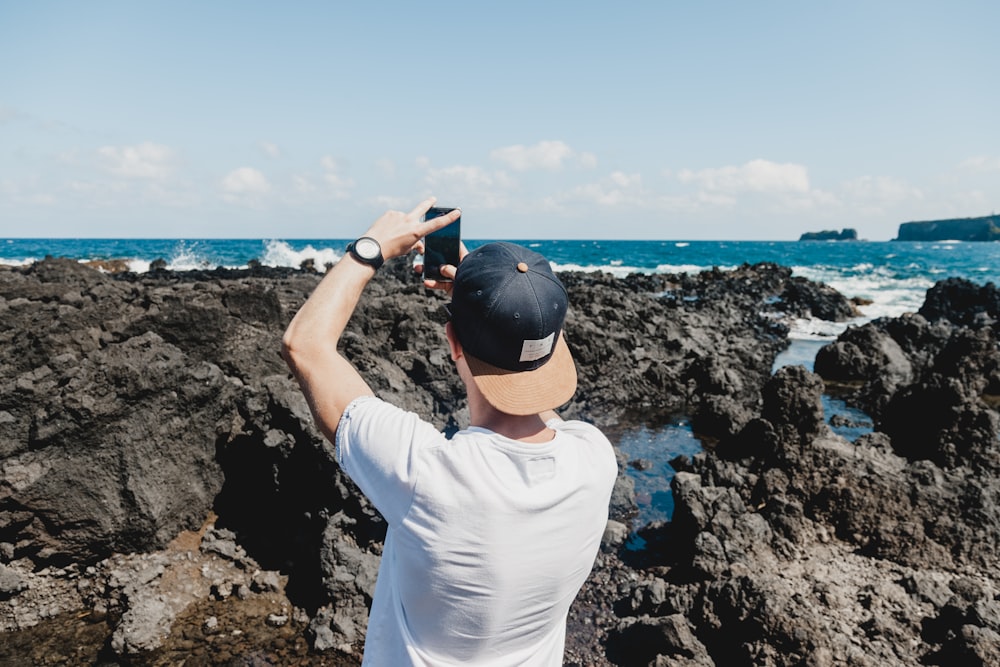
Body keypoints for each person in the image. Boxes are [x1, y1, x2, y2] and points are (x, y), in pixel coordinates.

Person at [282, 197, 617, 666]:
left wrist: (369, 249)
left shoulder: (428, 475)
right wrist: (493, 298)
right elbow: (542, 394)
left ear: (452, 342)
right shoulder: (596, 458)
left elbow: (305, 346)